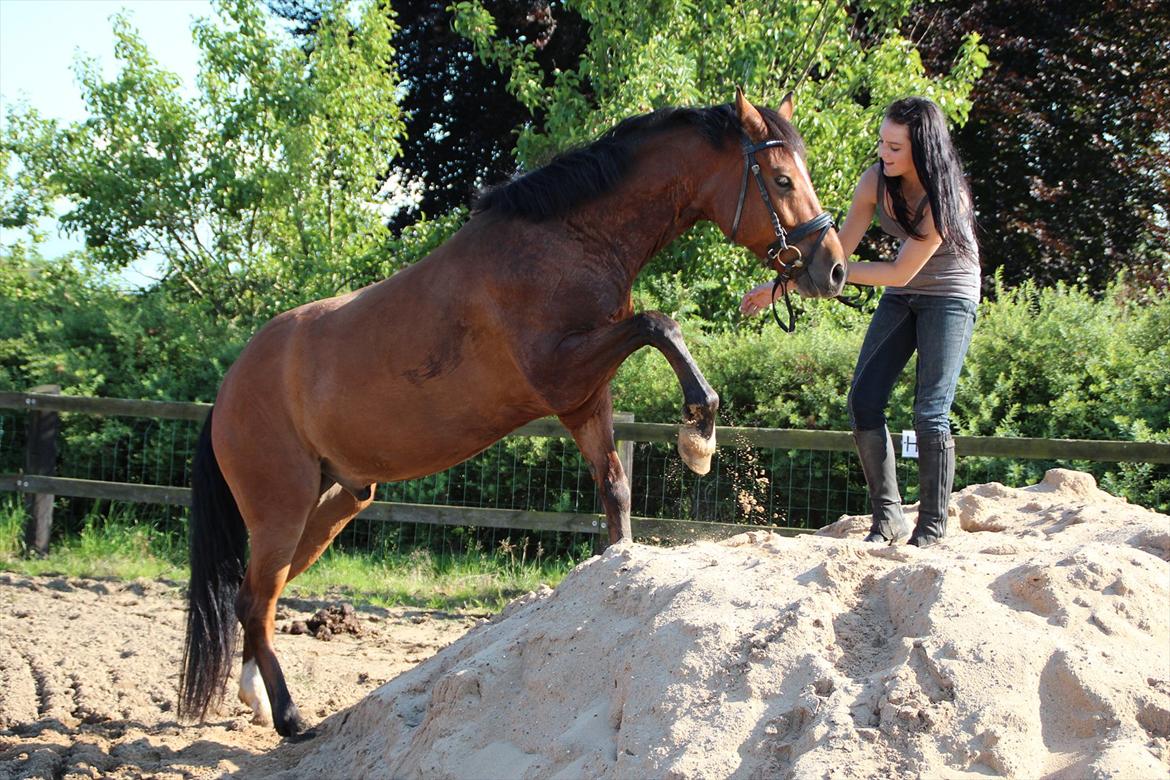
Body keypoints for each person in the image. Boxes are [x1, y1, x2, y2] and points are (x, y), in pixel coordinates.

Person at [740, 96, 980, 547]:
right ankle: (888, 518)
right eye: (882, 143)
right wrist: (783, 286)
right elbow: (840, 253)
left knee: (930, 412)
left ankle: (931, 528)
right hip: (903, 297)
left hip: (949, 294)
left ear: (922, 150)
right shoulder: (875, 181)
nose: (884, 155)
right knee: (863, 401)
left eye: (895, 148)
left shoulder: (946, 197)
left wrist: (822, 281)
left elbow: (898, 271)